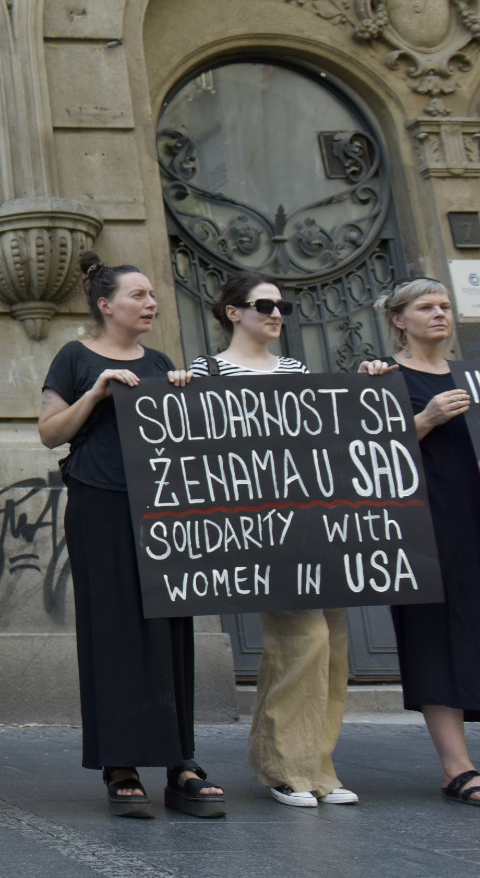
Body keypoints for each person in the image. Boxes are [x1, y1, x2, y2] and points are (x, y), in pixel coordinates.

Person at [39, 251, 224, 818]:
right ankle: (119, 764)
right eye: (138, 295)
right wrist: (96, 392)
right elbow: (50, 432)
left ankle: (180, 762)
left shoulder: (162, 360)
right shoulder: (74, 356)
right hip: (100, 505)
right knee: (112, 630)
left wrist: (186, 396)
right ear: (106, 304)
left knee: (170, 630)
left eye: (152, 295)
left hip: (161, 509)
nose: (150, 303)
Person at [189, 272, 365, 809]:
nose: (277, 314)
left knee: (331, 640)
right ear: (233, 312)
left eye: (282, 306)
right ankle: (288, 767)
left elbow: (321, 435)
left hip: (310, 518)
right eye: (264, 305)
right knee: (303, 638)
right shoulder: (207, 371)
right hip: (257, 526)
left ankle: (316, 766)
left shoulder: (295, 371)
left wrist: (368, 384)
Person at [370, 278, 480, 808]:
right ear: (398, 319)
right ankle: (457, 766)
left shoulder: (471, 376)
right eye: (426, 307)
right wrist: (427, 419)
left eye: (445, 306)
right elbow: (366, 452)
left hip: (474, 516)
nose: (440, 314)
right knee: (435, 636)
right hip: (424, 526)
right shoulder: (381, 377)